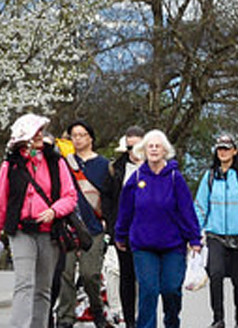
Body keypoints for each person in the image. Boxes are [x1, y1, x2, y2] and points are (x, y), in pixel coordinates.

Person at [0, 113, 78, 328]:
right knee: (24, 284)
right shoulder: (10, 166)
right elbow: (0, 203)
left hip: (49, 231)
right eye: (35, 132)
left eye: (41, 132)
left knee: (43, 288)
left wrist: (54, 211)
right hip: (21, 231)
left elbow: (70, 196)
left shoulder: (56, 162)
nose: (39, 136)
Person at [114, 129, 202, 328]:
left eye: (158, 146)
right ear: (143, 151)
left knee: (171, 289)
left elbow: (186, 210)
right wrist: (120, 235)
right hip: (143, 245)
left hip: (173, 245)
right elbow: (125, 210)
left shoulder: (174, 178)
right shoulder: (136, 178)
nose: (153, 149)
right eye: (150, 146)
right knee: (149, 290)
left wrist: (194, 239)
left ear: (165, 151)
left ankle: (172, 321)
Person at [193, 134, 238, 328]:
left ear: (235, 151)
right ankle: (218, 318)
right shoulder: (210, 176)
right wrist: (196, 232)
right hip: (215, 234)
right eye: (220, 148)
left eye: (227, 148)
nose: (223, 152)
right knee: (216, 274)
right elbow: (200, 206)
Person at [56, 120, 111, 328]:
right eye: (74, 135)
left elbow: (109, 196)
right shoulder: (63, 163)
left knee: (90, 274)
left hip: (93, 227)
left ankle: (96, 308)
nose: (77, 139)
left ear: (91, 138)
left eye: (82, 135)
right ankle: (65, 317)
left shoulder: (104, 165)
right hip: (68, 226)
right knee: (65, 273)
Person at [101, 126, 145, 328]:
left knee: (147, 279)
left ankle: (145, 317)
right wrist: (112, 227)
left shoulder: (157, 167)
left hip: (150, 231)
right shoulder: (116, 169)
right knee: (127, 276)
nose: (133, 151)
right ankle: (130, 321)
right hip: (125, 231)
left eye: (137, 146)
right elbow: (107, 200)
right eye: (129, 147)